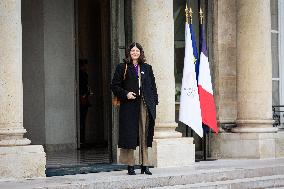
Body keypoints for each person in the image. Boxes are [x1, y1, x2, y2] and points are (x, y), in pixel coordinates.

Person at [111, 42, 159, 175]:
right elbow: (114, 86)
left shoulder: (147, 68)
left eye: (137, 51)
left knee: (144, 134)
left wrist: (154, 102)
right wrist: (126, 94)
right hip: (129, 105)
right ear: (129, 53)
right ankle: (130, 165)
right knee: (130, 135)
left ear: (141, 53)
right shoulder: (122, 67)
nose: (135, 53)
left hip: (144, 105)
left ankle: (145, 165)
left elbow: (153, 87)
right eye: (132, 51)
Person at [79, 59, 90, 145]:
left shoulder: (83, 74)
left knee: (82, 119)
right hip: (82, 98)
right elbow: (83, 87)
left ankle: (82, 139)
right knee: (82, 119)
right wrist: (84, 95)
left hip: (84, 98)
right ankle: (81, 139)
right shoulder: (82, 74)